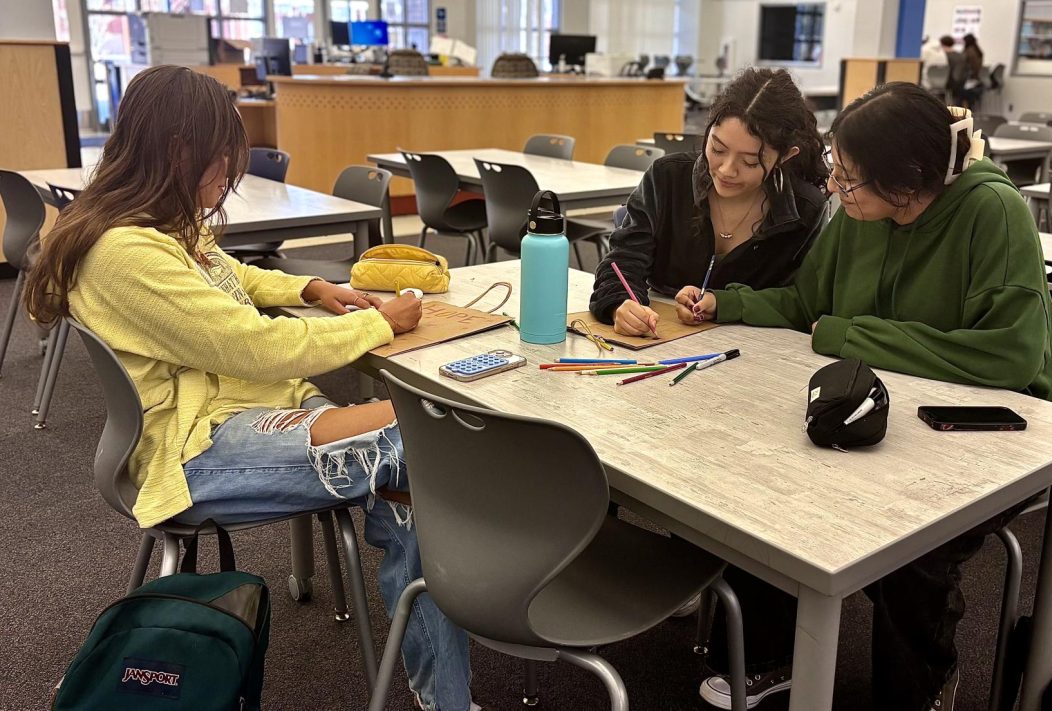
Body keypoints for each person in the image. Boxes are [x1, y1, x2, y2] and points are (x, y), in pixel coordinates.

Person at [23, 66, 476, 711]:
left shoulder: (158, 222)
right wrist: (380, 320)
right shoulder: (127, 253)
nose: (224, 182)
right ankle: (451, 686)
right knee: (420, 442)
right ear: (179, 152)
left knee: (410, 466)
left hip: (233, 413)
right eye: (221, 164)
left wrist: (310, 288)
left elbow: (225, 274)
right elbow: (256, 347)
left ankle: (443, 693)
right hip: (191, 449)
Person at [683, 83, 1052, 711]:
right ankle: (773, 657)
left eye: (851, 179)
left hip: (993, 431)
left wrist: (850, 334)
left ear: (909, 182)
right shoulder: (861, 215)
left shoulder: (994, 211)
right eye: (838, 170)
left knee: (913, 545)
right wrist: (729, 304)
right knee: (764, 474)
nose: (836, 188)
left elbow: (1009, 356)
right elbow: (807, 305)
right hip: (878, 407)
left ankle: (922, 688)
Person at [589, 67, 829, 334]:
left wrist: (726, 303)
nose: (726, 170)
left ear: (785, 157)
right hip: (657, 338)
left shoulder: (804, 209)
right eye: (717, 148)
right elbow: (622, 260)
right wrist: (620, 305)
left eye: (750, 161)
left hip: (752, 351)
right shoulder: (667, 177)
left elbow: (802, 302)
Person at [960, 34, 986, 110]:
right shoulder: (978, 51)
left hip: (969, 80)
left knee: (956, 90)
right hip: (976, 80)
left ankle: (962, 111)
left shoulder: (969, 51)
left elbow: (964, 66)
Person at [941, 35, 967, 106]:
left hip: (948, 83)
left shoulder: (943, 56)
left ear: (942, 44)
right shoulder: (961, 55)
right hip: (961, 83)